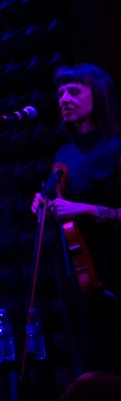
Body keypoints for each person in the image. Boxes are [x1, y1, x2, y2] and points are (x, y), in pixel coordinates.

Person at [31, 63, 121, 375]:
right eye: (60, 93)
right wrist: (43, 204)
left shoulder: (116, 147)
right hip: (74, 269)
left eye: (74, 91)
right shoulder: (64, 152)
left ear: (98, 94)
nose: (64, 99)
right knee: (85, 357)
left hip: (111, 266)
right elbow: (56, 201)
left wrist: (84, 209)